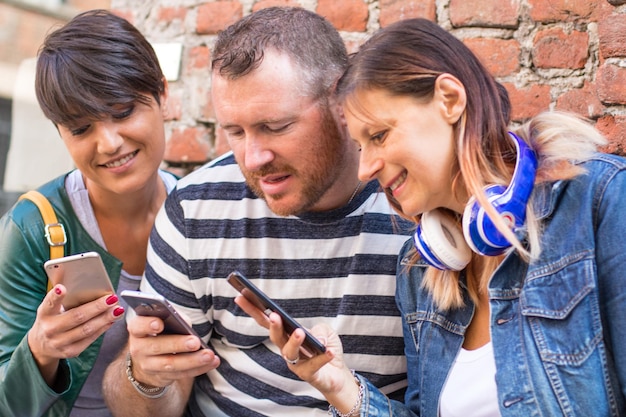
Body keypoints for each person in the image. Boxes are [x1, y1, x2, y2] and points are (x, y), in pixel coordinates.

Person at [238, 17, 626, 417]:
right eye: (360, 145)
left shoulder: (598, 201)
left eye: (379, 135)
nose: (365, 168)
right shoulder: (421, 270)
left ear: (449, 99)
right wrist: (340, 386)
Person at [101, 6, 412, 417]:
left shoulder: (412, 206)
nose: (253, 157)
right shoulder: (196, 208)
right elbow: (143, 407)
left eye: (276, 126)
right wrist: (146, 376)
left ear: (340, 100)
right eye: (235, 131)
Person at [0, 9, 177, 416]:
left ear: (163, 95)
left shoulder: (198, 214)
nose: (109, 142)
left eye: (123, 111)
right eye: (81, 129)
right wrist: (40, 352)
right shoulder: (32, 229)